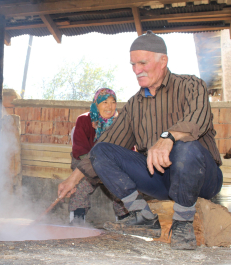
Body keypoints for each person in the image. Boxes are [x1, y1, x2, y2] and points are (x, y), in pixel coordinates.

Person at [58, 30, 223, 250]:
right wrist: (74, 178)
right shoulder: (134, 104)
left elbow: (198, 119)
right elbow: (109, 142)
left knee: (186, 147)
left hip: (202, 177)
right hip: (160, 180)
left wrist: (168, 137)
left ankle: (183, 224)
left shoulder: (192, 85)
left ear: (162, 60)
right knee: (101, 151)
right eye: (133, 65)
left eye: (142, 63)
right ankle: (142, 216)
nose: (136, 70)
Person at [69, 88, 129, 225]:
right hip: (85, 161)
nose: (110, 106)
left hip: (112, 164)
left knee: (123, 184)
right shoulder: (84, 120)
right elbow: (80, 149)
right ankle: (77, 219)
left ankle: (125, 219)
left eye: (113, 102)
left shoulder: (120, 123)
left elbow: (128, 149)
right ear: (96, 104)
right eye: (105, 102)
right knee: (81, 184)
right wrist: (97, 168)